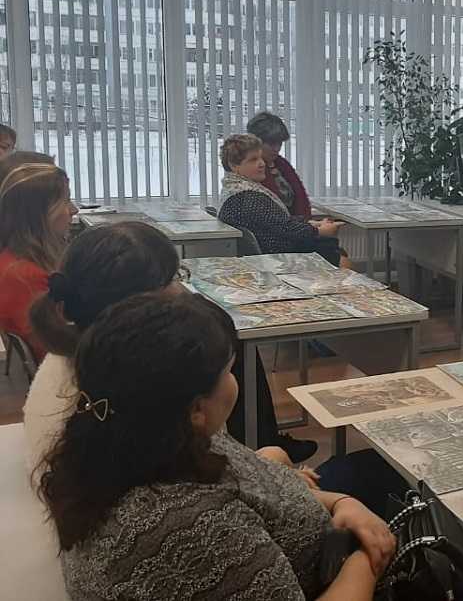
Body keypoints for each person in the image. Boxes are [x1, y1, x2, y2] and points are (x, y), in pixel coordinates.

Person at [36, 292, 395, 600]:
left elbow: (244, 483)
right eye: (228, 371)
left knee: (376, 468)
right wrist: (367, 556)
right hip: (337, 567)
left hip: (322, 525)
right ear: (196, 407)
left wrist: (341, 502)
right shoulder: (191, 530)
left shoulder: (126, 444)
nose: (233, 380)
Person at [24, 221, 318, 465]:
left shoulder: (84, 355)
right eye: (174, 278)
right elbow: (198, 476)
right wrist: (269, 467)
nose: (183, 289)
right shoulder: (137, 387)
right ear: (142, 302)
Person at [218, 133, 346, 266]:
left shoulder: (235, 189)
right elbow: (287, 228)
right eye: (253, 160)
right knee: (346, 265)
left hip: (276, 255)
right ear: (234, 165)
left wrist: (312, 224)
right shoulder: (249, 197)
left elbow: (278, 222)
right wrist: (321, 231)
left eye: (261, 158)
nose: (262, 164)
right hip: (280, 259)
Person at [0, 163, 77, 364]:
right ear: (40, 213)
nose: (74, 209)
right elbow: (54, 350)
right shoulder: (25, 275)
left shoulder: (18, 259)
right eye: (66, 200)